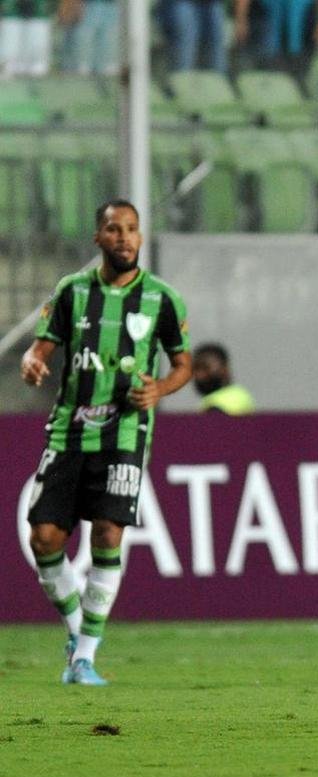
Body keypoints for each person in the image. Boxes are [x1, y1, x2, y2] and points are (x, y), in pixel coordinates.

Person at [19, 200, 192, 686]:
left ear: (141, 237)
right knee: (45, 539)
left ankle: (86, 658)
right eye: (114, 230)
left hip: (125, 431)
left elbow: (183, 365)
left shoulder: (162, 299)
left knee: (109, 533)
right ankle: (78, 632)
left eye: (132, 230)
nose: (124, 238)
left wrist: (158, 389)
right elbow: (39, 348)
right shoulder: (72, 292)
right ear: (98, 238)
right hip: (70, 429)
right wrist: (31, 362)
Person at [233, 0, 318, 76]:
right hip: (267, 20)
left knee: (301, 69)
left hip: (304, 22)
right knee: (270, 70)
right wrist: (241, 20)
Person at [164, 0, 228, 73]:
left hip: (211, 4)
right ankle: (182, 78)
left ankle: (218, 79)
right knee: (186, 43)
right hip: (181, 3)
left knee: (217, 52)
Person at [58, 0, 119, 76]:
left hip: (108, 5)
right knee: (85, 36)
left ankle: (102, 65)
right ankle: (83, 65)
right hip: (88, 5)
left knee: (107, 38)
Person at [193, 343, 255, 415]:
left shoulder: (236, 396)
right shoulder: (207, 401)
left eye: (206, 368)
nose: (199, 375)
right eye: (196, 368)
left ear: (225, 369)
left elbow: (218, 421)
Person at [0, 0, 53, 76]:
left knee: (36, 40)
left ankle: (37, 66)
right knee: (12, 41)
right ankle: (12, 65)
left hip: (38, 15)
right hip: (12, 15)